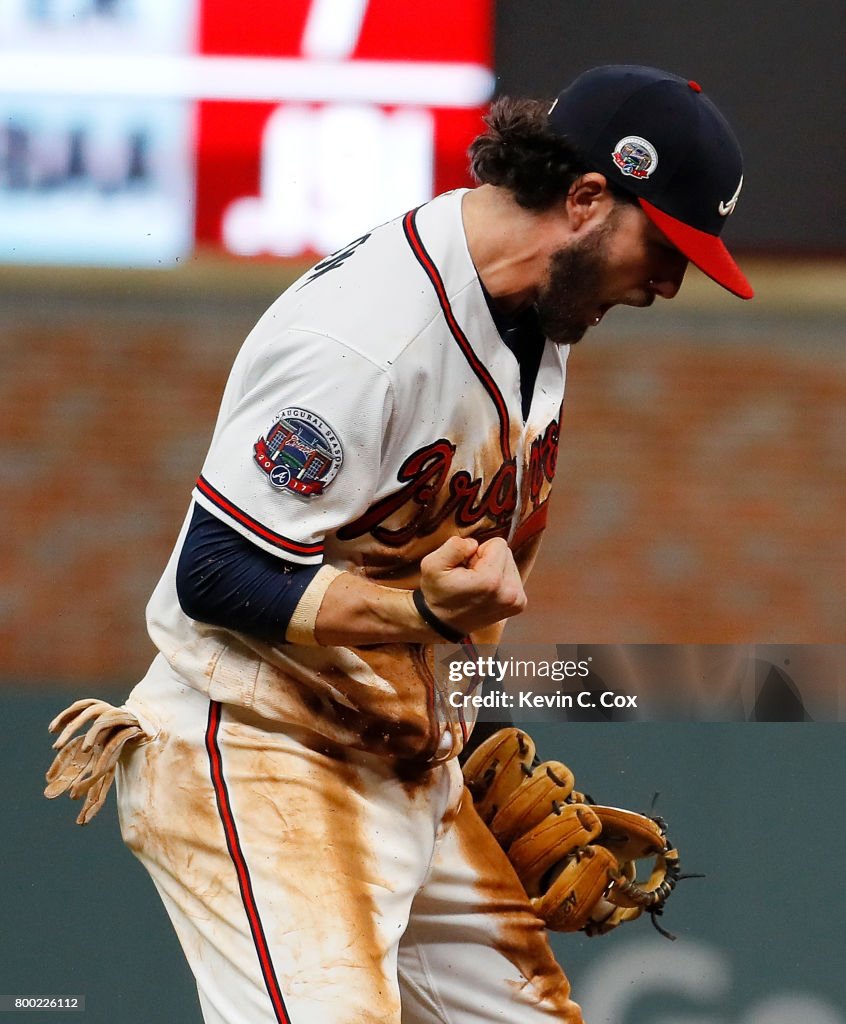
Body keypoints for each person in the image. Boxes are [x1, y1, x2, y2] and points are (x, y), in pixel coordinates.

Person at [46, 65, 752, 1024]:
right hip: (261, 754)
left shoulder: (538, 315)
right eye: (665, 244)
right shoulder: (368, 337)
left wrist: (471, 721)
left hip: (401, 758)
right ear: (587, 198)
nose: (671, 281)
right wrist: (416, 613)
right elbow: (212, 570)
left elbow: (419, 563)